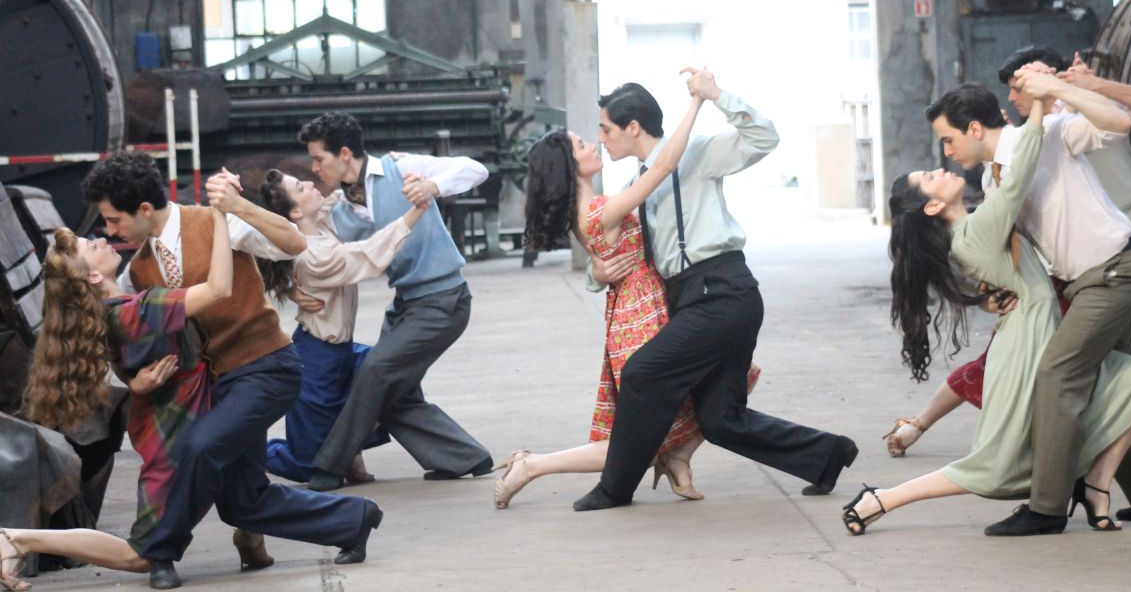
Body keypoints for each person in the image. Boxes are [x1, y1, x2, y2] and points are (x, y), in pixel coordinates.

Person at [843, 74, 1131, 536]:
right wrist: (1038, 103)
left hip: (1079, 295)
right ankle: (885, 499)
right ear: (932, 208)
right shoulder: (981, 217)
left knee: (1119, 382)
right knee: (998, 461)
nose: (943, 160)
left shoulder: (980, 214)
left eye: (947, 142)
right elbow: (1017, 185)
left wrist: (1051, 98)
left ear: (974, 129)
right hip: (1026, 340)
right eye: (932, 175)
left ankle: (1090, 492)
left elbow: (1009, 234)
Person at [80, 153, 380, 590]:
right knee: (243, 503)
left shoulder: (215, 220)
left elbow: (294, 244)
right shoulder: (138, 271)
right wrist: (130, 380)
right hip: (217, 388)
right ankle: (354, 520)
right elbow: (122, 330)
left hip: (267, 368)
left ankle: (160, 551)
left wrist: (238, 205)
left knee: (200, 445)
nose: (110, 232)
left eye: (114, 220)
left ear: (143, 209)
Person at [572, 70, 858, 512]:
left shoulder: (698, 152)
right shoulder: (634, 189)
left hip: (722, 291)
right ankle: (827, 454)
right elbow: (612, 249)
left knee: (643, 373)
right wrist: (597, 271)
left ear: (633, 127)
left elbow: (763, 138)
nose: (601, 139)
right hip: (687, 297)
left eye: (606, 129)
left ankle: (615, 487)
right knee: (720, 421)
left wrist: (718, 95)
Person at [496, 86, 761, 508]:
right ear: (571, 166)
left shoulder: (594, 208)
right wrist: (696, 102)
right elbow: (664, 166)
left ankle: (677, 458)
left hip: (640, 312)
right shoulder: (600, 211)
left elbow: (609, 258)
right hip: (638, 320)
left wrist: (596, 272)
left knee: (702, 392)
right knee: (633, 439)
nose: (594, 142)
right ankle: (533, 465)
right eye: (583, 144)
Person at [2, 210, 233, 592]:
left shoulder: (112, 307)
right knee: (140, 554)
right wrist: (221, 217)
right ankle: (17, 538)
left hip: (165, 423)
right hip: (167, 433)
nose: (103, 240)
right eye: (93, 245)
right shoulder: (132, 312)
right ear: (93, 277)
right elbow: (218, 289)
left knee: (225, 497)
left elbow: (122, 354)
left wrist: (133, 381)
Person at [296, 112, 495, 490]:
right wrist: (291, 287)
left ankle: (328, 468)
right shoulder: (337, 210)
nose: (314, 168)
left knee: (375, 372)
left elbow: (475, 169)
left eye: (319, 158)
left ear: (344, 154)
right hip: (406, 305)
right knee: (390, 392)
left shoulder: (401, 167)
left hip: (444, 301)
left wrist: (432, 186)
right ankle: (466, 457)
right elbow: (311, 252)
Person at [257, 169, 428, 483]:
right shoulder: (314, 256)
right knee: (306, 464)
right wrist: (416, 211)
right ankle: (246, 452)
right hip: (316, 358)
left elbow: (339, 196)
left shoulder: (319, 224)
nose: (311, 184)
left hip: (342, 352)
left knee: (390, 375)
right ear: (295, 212)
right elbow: (369, 254)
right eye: (301, 187)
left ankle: (351, 456)